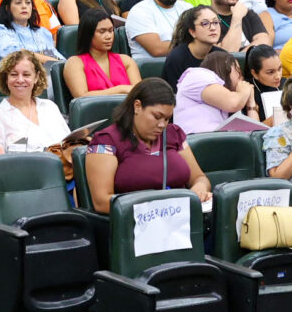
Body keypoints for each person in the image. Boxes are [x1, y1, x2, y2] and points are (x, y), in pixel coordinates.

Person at [82, 78, 213, 212]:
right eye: (157, 116)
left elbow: (199, 177)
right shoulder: (106, 141)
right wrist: (158, 208)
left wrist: (200, 188)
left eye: (167, 118)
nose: (162, 125)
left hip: (182, 220)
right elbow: (102, 202)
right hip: (137, 224)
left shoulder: (174, 134)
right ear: (137, 106)